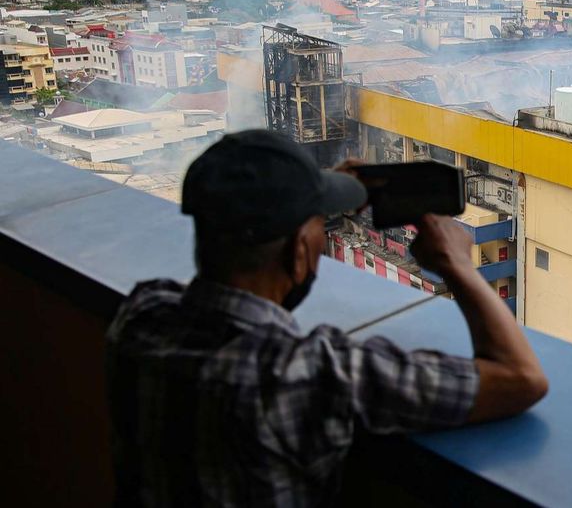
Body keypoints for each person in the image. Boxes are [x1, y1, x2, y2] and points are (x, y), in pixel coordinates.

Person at [105, 130, 548, 507]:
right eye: (319, 225)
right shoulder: (307, 374)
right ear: (299, 251)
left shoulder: (141, 318)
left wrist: (321, 191)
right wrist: (458, 265)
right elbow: (520, 378)